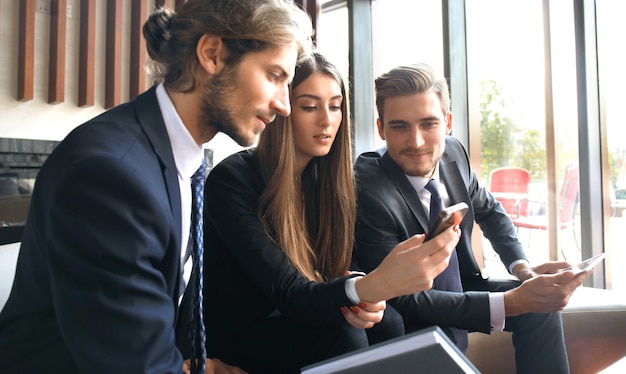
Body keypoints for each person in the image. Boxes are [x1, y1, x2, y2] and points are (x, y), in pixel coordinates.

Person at [0, 1, 313, 373]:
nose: (284, 105)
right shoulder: (111, 176)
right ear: (212, 54)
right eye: (275, 75)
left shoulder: (183, 159)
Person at [202, 52, 459, 373]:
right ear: (283, 108)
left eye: (335, 106)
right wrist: (368, 287)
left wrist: (365, 296)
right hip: (241, 329)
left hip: (300, 311)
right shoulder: (234, 179)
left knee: (388, 322)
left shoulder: (332, 182)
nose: (326, 120)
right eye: (309, 106)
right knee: (344, 336)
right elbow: (288, 293)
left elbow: (342, 271)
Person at [353, 63, 590, 374]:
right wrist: (511, 303)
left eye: (429, 124)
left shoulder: (453, 154)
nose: (417, 142)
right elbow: (406, 299)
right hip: (409, 311)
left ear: (448, 123)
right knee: (525, 303)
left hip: (462, 285)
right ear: (381, 129)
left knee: (540, 309)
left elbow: (490, 211)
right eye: (399, 127)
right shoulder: (367, 189)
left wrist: (523, 268)